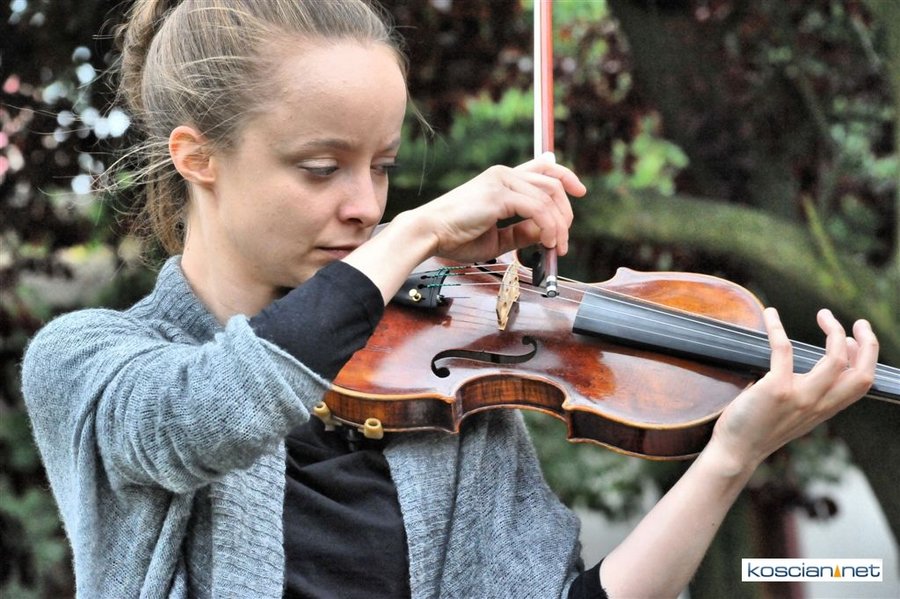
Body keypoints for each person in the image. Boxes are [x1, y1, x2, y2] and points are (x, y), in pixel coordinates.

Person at [20, 1, 879, 598]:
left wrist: (729, 458)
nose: (365, 205)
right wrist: (417, 232)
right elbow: (202, 418)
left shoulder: (441, 388)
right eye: (322, 168)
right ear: (198, 156)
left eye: (383, 167)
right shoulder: (87, 362)